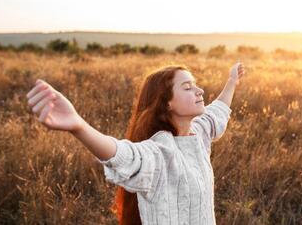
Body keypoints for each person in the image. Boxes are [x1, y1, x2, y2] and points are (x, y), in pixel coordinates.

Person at [26, 61, 245, 225]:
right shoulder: (159, 153)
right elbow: (123, 155)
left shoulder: (199, 132)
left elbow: (218, 112)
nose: (200, 91)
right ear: (166, 103)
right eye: (187, 87)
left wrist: (232, 81)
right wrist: (79, 126)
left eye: (195, 85)